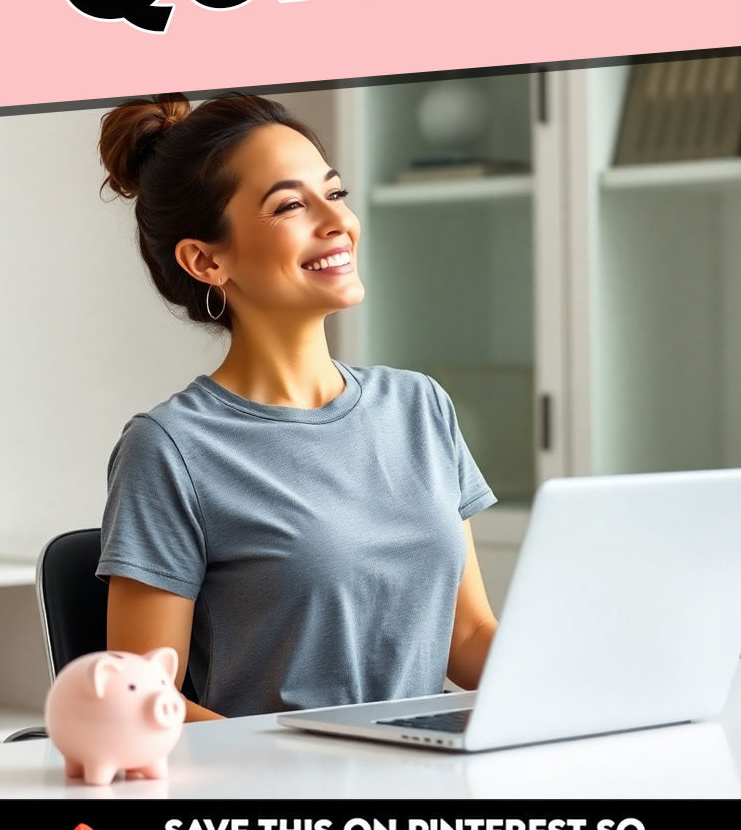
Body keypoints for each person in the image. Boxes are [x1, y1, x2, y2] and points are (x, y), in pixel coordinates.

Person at [97, 91, 498, 722]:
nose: (337, 220)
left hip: (427, 779)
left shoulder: (419, 405)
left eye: (334, 193)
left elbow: (469, 636)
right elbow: (140, 702)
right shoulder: (170, 449)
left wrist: (585, 677)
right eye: (290, 204)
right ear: (207, 260)